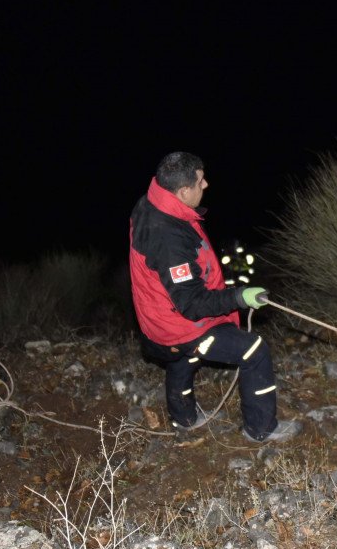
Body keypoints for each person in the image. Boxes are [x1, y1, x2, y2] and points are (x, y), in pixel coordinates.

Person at [128, 151, 301, 443]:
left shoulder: (152, 203)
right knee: (253, 350)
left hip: (159, 316)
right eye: (199, 181)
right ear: (183, 191)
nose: (205, 184)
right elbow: (192, 304)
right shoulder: (169, 241)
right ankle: (260, 429)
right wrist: (238, 297)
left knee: (182, 355)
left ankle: (184, 417)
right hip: (177, 322)